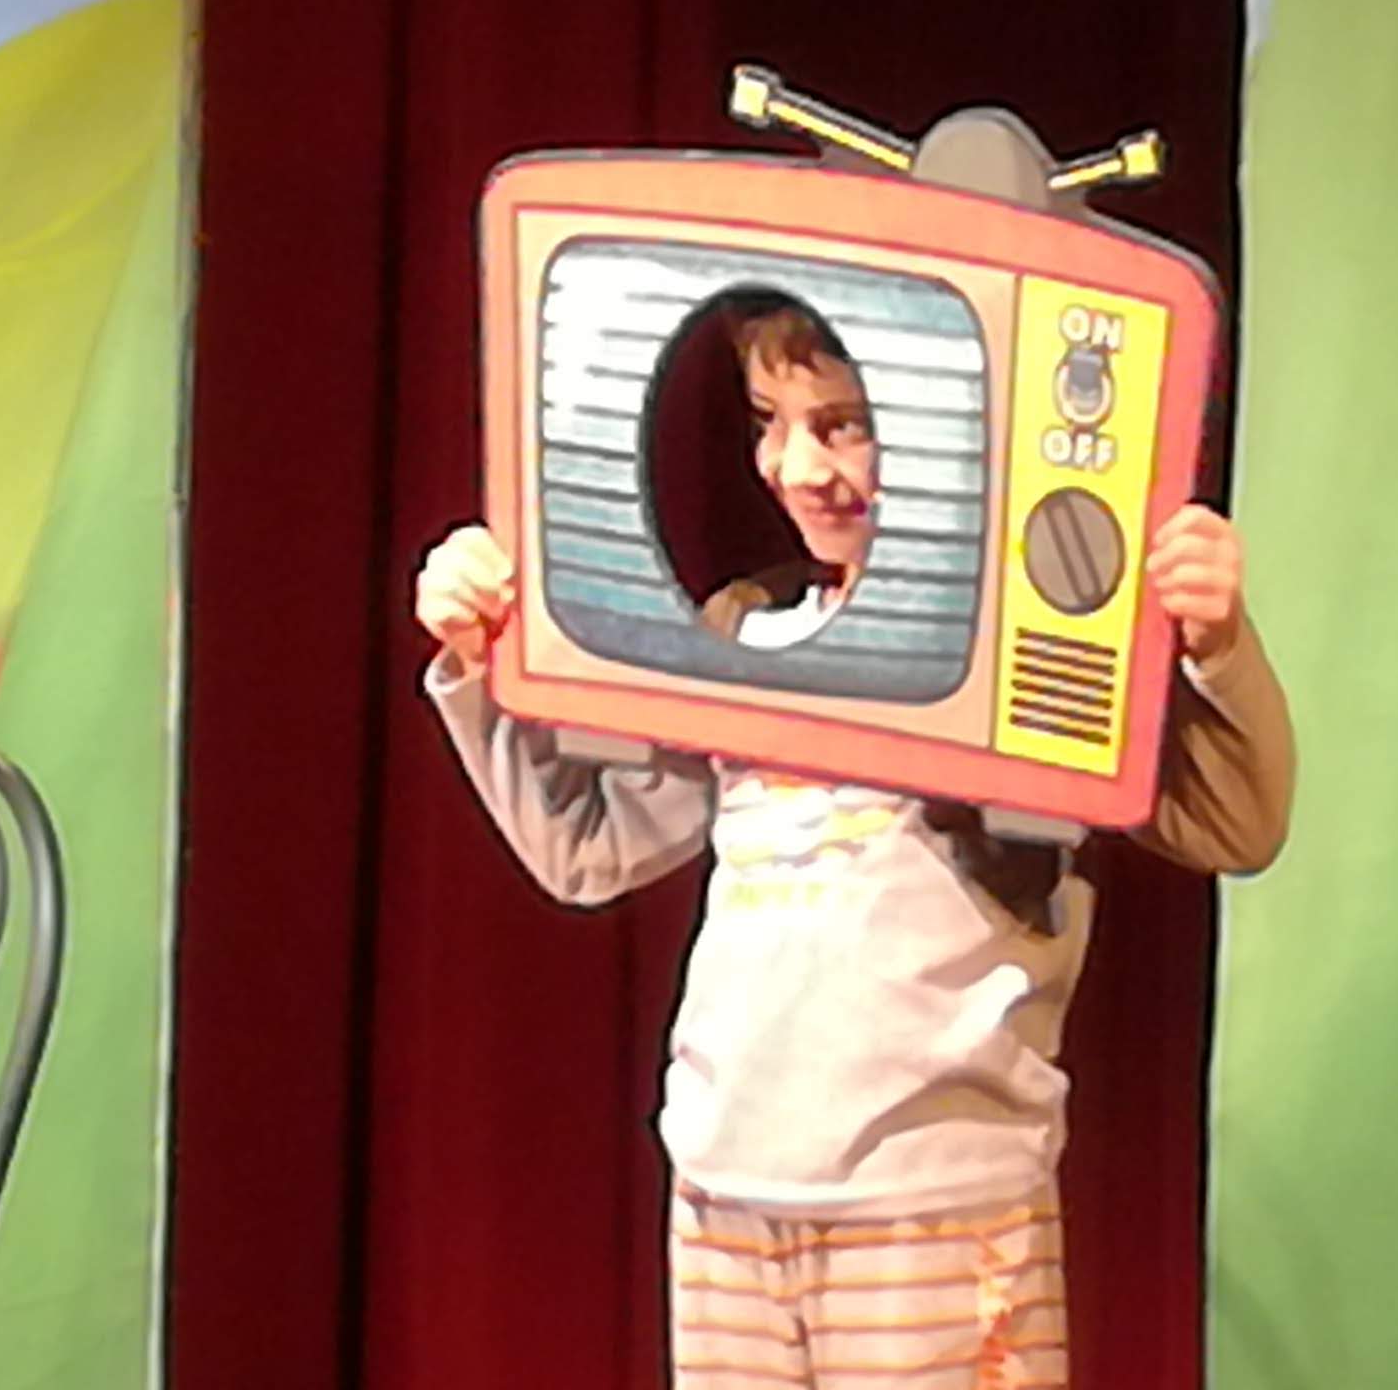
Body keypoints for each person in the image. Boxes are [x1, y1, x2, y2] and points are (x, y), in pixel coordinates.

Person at [416, 290, 1295, 1388]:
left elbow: (1234, 817)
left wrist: (1215, 641)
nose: (796, 466)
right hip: (728, 1190)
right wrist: (476, 661)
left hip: (934, 1205)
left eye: (844, 424)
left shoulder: (1026, 644)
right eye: (767, 421)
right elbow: (586, 846)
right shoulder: (743, 632)